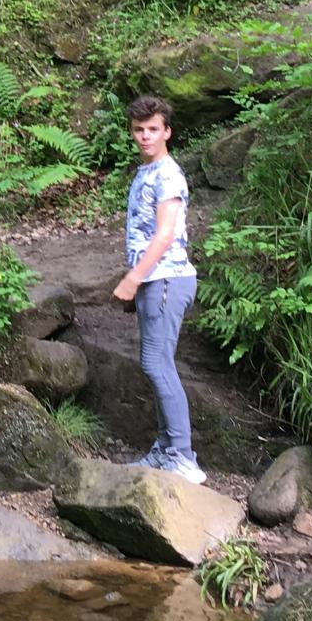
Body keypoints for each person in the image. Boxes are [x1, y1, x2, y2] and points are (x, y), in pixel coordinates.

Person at [111, 93, 205, 484]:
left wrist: (134, 278)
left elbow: (166, 234)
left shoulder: (168, 174)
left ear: (167, 131)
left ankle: (182, 456)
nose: (145, 136)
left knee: (156, 364)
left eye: (153, 129)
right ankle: (167, 449)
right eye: (139, 130)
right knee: (155, 363)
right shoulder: (146, 172)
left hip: (166, 278)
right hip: (156, 279)